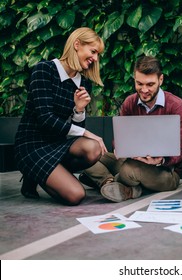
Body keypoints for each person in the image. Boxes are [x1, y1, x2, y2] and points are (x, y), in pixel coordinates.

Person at [14, 27, 107, 206]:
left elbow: (75, 127)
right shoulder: (44, 70)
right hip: (32, 144)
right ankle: (34, 173)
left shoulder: (84, 82)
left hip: (58, 142)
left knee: (93, 149)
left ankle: (46, 173)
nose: (95, 58)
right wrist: (86, 132)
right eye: (93, 51)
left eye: (97, 54)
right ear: (77, 44)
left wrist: (79, 110)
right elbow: (46, 119)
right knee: (75, 195)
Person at [78, 56, 182, 202]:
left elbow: (179, 152)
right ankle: (110, 183)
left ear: (160, 80)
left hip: (165, 171)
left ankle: (111, 181)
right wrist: (119, 148)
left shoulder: (176, 105)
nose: (144, 90)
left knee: (128, 170)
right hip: (131, 160)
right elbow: (119, 140)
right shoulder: (130, 102)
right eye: (139, 83)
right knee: (84, 155)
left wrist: (160, 159)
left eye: (150, 84)